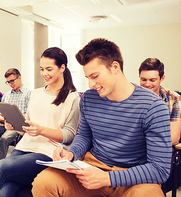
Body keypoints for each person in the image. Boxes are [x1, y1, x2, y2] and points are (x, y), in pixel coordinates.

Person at [32, 38, 172, 197]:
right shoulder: (88, 98)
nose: (91, 84)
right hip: (93, 167)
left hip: (134, 176)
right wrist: (71, 153)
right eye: (88, 78)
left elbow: (160, 169)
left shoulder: (154, 106)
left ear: (115, 67)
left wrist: (108, 178)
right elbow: (84, 136)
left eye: (95, 76)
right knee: (43, 183)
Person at [0, 47, 80, 197]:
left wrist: (41, 130)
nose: (44, 73)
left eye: (49, 69)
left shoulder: (72, 98)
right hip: (24, 146)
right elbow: (26, 127)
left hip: (47, 153)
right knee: (4, 192)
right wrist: (13, 125)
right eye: (42, 69)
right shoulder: (36, 93)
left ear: (62, 68)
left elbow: (69, 135)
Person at [139, 58, 181, 145]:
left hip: (161, 151)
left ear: (162, 78)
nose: (147, 84)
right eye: (144, 80)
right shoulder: (131, 96)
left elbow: (174, 138)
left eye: (152, 80)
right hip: (134, 153)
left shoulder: (174, 99)